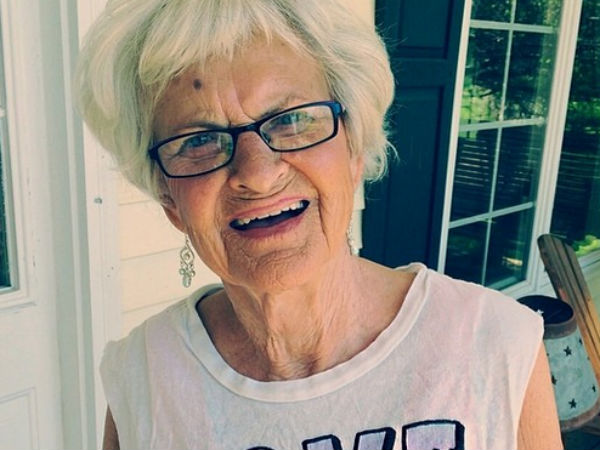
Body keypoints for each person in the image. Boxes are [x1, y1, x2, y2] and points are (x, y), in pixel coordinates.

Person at [75, 0, 563, 449]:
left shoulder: (495, 345)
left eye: (291, 120)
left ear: (354, 148)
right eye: (199, 140)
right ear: (169, 200)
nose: (257, 174)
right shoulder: (143, 377)